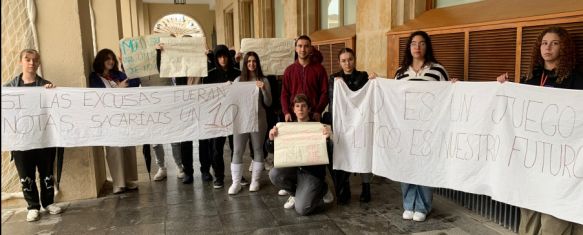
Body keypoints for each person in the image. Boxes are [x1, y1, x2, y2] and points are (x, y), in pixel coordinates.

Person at [496, 26, 583, 235]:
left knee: (555, 220)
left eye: (554, 43)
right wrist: (504, 88)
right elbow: (518, 114)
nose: (548, 47)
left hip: (563, 166)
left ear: (564, 48)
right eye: (544, 43)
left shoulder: (577, 80)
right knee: (529, 216)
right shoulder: (530, 79)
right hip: (533, 162)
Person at [394, 31, 449, 222]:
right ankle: (409, 204)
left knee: (425, 166)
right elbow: (395, 99)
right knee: (406, 166)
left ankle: (423, 206)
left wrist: (455, 87)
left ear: (427, 46)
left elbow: (446, 98)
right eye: (414, 43)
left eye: (422, 43)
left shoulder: (438, 70)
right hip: (406, 128)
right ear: (409, 47)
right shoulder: (400, 73)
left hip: (429, 128)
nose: (417, 47)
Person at [3, 49, 63, 222]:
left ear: (38, 63)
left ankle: (48, 202)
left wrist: (51, 93)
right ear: (20, 62)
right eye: (27, 59)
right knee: (26, 174)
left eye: (34, 60)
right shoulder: (9, 89)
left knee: (46, 172)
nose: (31, 63)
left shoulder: (46, 85)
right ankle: (32, 206)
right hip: (21, 141)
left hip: (43, 139)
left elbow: (54, 111)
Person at [324, 48, 377, 204]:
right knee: (342, 153)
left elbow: (369, 96)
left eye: (350, 59)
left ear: (355, 59)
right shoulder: (334, 78)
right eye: (344, 60)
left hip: (361, 122)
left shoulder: (363, 76)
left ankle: (366, 186)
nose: (347, 63)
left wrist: (375, 80)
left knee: (363, 152)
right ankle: (343, 187)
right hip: (342, 124)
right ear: (339, 62)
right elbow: (332, 102)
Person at [267, 94, 334, 216]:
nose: (300, 109)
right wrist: (271, 139)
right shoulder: (287, 128)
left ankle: (322, 188)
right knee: (274, 174)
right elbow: (272, 150)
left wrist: (328, 139)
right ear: (293, 109)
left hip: (312, 172)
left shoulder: (318, 127)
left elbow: (329, 153)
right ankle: (295, 194)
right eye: (297, 106)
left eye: (303, 106)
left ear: (309, 109)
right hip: (293, 168)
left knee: (302, 209)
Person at [89, 48, 140, 194]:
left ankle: (129, 180)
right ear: (101, 61)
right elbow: (98, 95)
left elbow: (135, 83)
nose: (111, 61)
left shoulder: (117, 74)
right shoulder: (95, 77)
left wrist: (126, 65)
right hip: (107, 119)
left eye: (112, 59)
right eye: (107, 59)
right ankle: (118, 182)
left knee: (128, 148)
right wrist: (118, 88)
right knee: (114, 150)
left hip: (123, 116)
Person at [228, 51, 272, 194]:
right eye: (249, 61)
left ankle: (255, 180)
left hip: (259, 118)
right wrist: (228, 88)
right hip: (241, 119)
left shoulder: (263, 80)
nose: (251, 64)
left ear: (257, 63)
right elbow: (231, 101)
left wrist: (264, 90)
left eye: (254, 61)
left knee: (258, 149)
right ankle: (236, 182)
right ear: (245, 64)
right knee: (238, 150)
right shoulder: (238, 80)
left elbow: (268, 103)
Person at [200, 44, 241, 189]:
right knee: (217, 148)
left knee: (236, 146)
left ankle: (238, 175)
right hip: (217, 117)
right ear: (216, 58)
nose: (223, 59)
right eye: (220, 57)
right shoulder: (209, 74)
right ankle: (219, 176)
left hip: (234, 115)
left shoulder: (237, 72)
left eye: (225, 56)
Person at [281, 35, 328, 123]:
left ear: (310, 48)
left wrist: (318, 111)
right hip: (294, 116)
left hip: (314, 116)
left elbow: (324, 92)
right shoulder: (289, 70)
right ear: (295, 48)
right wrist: (286, 112)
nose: (303, 49)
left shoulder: (319, 69)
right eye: (300, 46)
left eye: (306, 46)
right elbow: (284, 93)